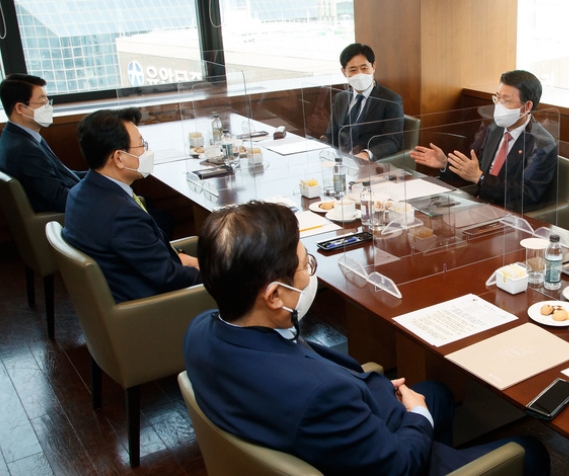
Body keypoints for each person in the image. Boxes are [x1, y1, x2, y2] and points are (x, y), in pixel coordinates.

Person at [184, 201, 549, 476]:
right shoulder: (321, 398)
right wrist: (417, 416)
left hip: (356, 419)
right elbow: (397, 467)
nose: (308, 276)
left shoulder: (200, 331)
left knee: (438, 391)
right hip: (391, 455)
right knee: (531, 449)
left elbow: (301, 365)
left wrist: (372, 390)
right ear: (274, 296)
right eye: (304, 266)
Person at [62, 108, 200, 303]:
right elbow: (169, 278)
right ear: (119, 158)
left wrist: (182, 259)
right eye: (141, 145)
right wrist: (212, 275)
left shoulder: (80, 192)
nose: (146, 151)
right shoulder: (121, 214)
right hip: (153, 309)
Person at [410, 70, 557, 212]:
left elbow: (527, 194)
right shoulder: (495, 129)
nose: (499, 105)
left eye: (506, 100)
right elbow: (478, 168)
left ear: (527, 106)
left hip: (509, 215)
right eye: (497, 98)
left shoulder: (542, 145)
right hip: (479, 205)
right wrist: (445, 164)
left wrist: (480, 178)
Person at [0, 73, 85, 212]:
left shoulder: (16, 136)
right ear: (20, 108)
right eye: (42, 103)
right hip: (63, 219)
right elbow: (62, 200)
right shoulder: (24, 150)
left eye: (48, 101)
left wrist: (103, 175)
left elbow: (64, 175)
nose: (48, 107)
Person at [324, 43, 404, 161]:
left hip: (368, 164)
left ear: (373, 67)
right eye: (353, 70)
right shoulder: (340, 98)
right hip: (339, 160)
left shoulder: (390, 99)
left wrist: (366, 154)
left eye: (364, 68)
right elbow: (331, 135)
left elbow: (392, 141)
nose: (359, 74)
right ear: (343, 72)